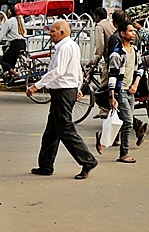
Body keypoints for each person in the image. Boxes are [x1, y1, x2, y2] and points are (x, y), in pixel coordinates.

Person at [28, 19, 97, 179]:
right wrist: (78, 87)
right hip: (66, 90)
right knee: (51, 131)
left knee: (65, 129)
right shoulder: (70, 46)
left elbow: (57, 71)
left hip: (63, 92)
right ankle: (45, 165)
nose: (50, 34)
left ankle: (88, 160)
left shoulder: (65, 47)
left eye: (52, 31)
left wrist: (36, 86)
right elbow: (77, 70)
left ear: (62, 32)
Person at [95, 17, 148, 163]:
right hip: (121, 92)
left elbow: (140, 69)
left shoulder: (135, 50)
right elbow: (112, 76)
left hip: (130, 90)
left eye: (134, 31)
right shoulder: (117, 53)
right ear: (123, 33)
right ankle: (124, 153)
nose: (134, 33)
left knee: (125, 121)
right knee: (128, 122)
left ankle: (102, 136)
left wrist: (136, 84)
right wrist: (112, 96)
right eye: (130, 31)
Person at [0, 5, 26, 80]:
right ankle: (10, 79)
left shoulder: (10, 21)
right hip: (22, 43)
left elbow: (1, 35)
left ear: (11, 12)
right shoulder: (20, 20)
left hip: (16, 44)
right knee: (11, 62)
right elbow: (18, 34)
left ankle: (15, 74)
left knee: (4, 61)